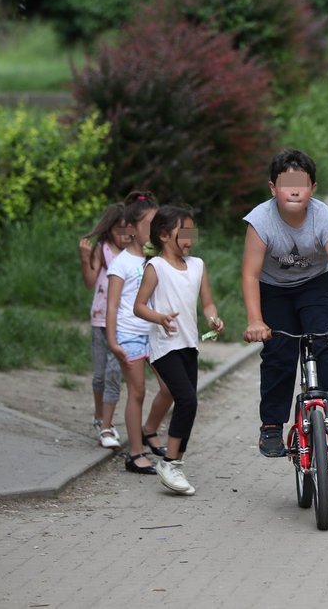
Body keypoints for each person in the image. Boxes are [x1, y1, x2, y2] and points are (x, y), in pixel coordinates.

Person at [241, 150, 328, 457]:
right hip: (272, 290)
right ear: (273, 188)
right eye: (287, 183)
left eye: (302, 183)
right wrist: (254, 319)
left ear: (313, 187)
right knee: (278, 355)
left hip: (315, 286)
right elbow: (249, 274)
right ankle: (271, 427)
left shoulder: (323, 217)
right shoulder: (260, 221)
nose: (295, 190)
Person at [134, 206, 224, 496]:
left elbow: (207, 303)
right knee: (187, 400)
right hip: (163, 346)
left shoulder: (197, 265)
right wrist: (158, 318)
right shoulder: (155, 267)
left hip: (188, 344)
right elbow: (139, 306)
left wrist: (213, 318)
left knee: (188, 402)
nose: (189, 240)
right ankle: (170, 463)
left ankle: (175, 462)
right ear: (163, 235)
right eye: (182, 234)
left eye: (191, 233)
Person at [106, 191, 173, 474]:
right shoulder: (120, 263)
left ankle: (149, 429)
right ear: (131, 229)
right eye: (149, 224)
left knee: (170, 388)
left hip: (154, 334)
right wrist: (112, 340)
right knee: (137, 392)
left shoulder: (155, 260)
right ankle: (135, 454)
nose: (154, 229)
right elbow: (111, 307)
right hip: (129, 335)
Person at [79, 202, 128, 449]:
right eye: (120, 229)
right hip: (99, 321)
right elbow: (89, 282)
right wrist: (85, 258)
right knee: (99, 376)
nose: (125, 235)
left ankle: (108, 425)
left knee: (113, 374)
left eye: (129, 229)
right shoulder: (102, 249)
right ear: (109, 230)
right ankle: (99, 419)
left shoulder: (135, 253)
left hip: (122, 325)